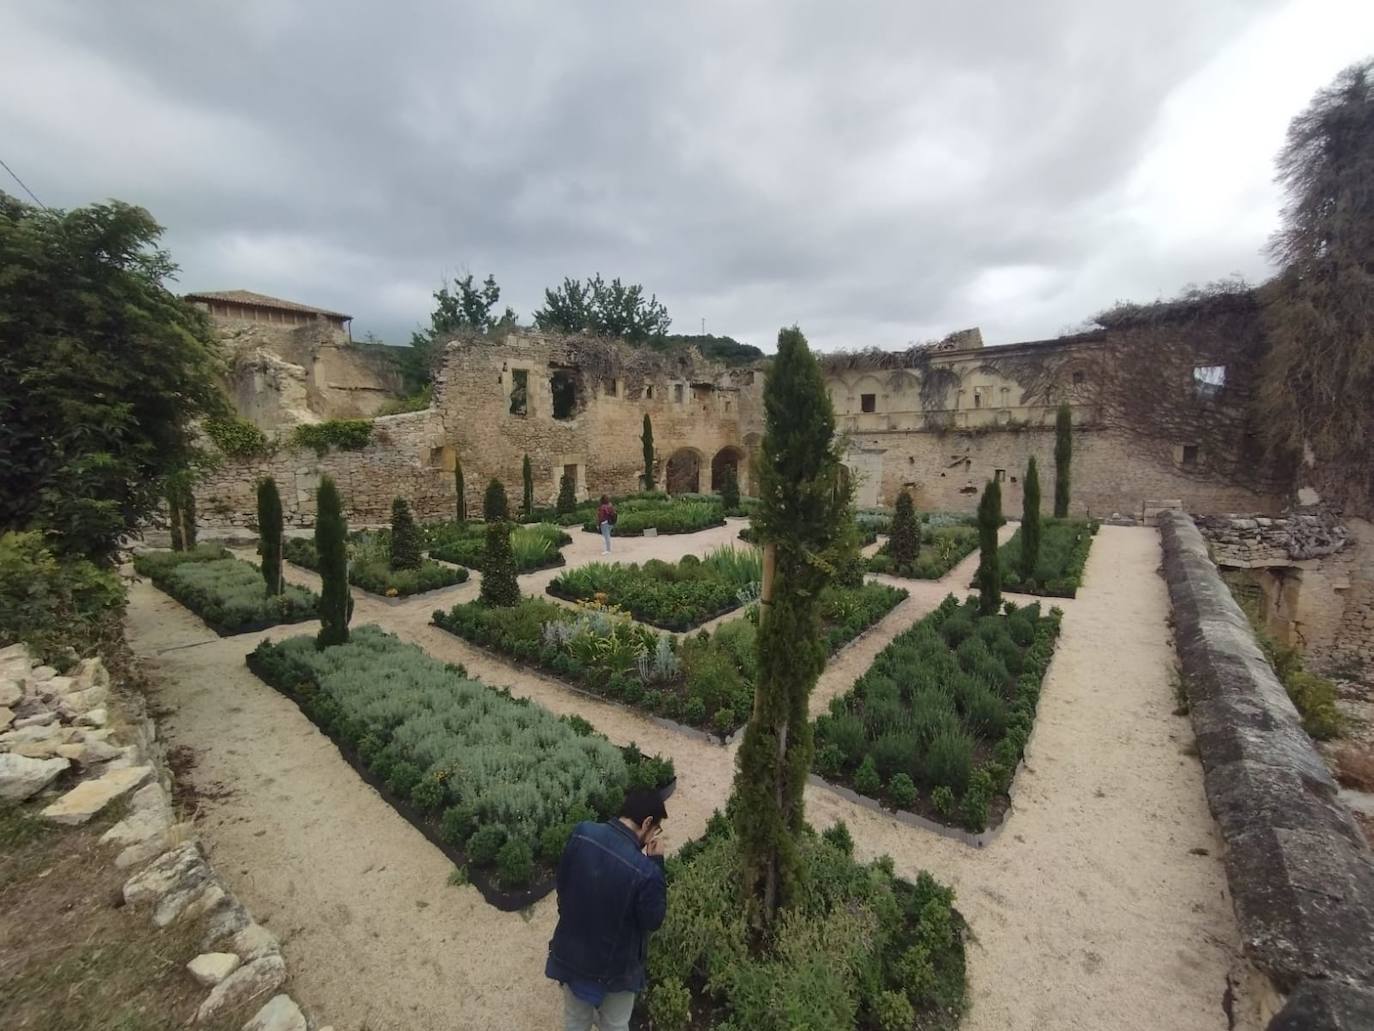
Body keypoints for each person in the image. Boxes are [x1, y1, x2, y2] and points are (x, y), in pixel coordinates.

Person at [545, 789, 668, 1031]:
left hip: (572, 953)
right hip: (617, 971)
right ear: (646, 823)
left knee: (575, 1020)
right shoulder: (646, 871)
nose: (653, 835)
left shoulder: (582, 833)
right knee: (615, 1024)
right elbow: (653, 920)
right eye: (656, 830)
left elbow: (563, 884)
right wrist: (657, 863)